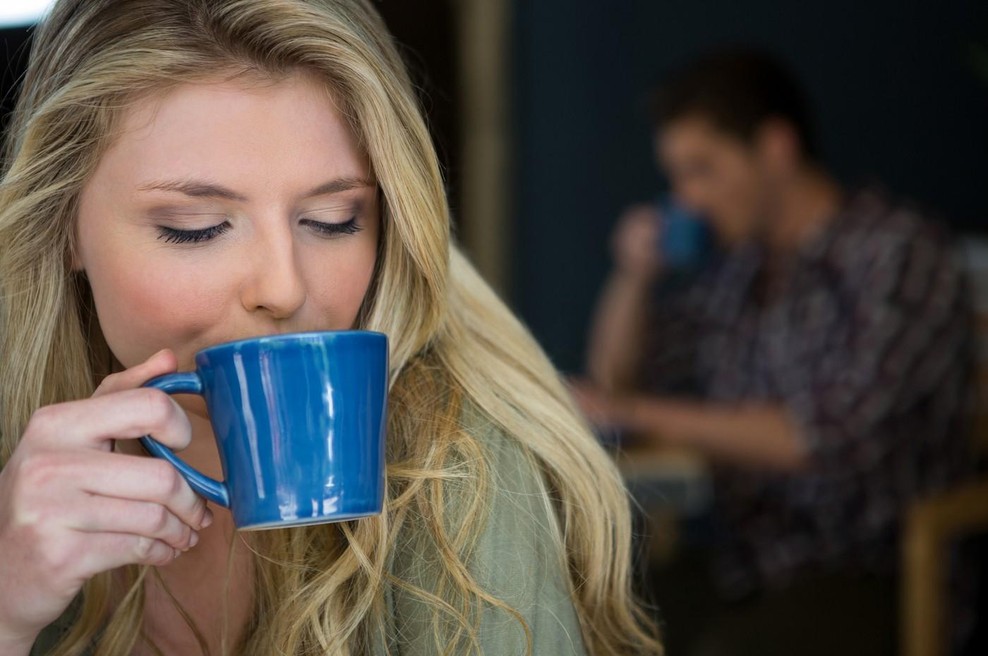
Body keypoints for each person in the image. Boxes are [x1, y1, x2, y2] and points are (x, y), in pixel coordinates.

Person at [0, 1, 661, 654]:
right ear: (63, 227)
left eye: (334, 219)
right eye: (194, 228)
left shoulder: (460, 472)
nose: (284, 288)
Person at [578, 49, 973, 656]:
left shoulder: (897, 255)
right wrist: (634, 276)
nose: (686, 199)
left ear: (776, 148)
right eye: (676, 175)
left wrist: (634, 412)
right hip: (747, 569)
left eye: (702, 169)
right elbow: (618, 377)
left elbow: (830, 436)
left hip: (877, 576)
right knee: (584, 617)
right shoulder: (738, 272)